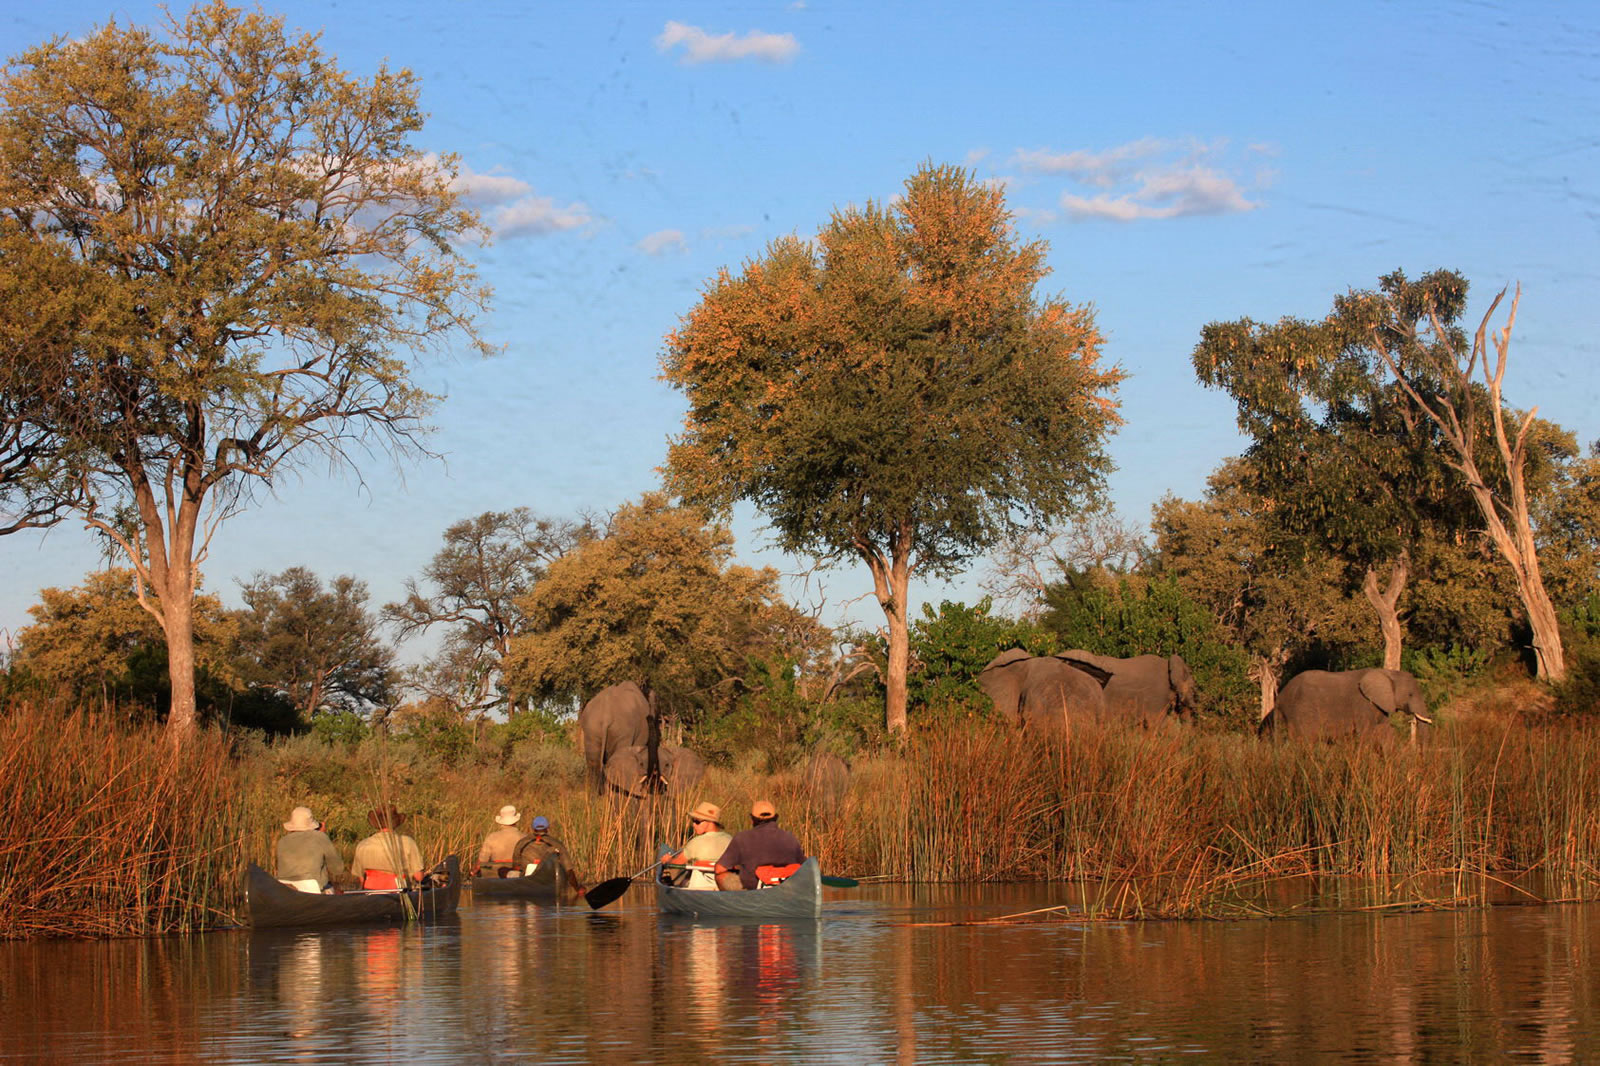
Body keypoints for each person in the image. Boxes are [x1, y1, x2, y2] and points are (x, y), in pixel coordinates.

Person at [714, 799, 805, 891]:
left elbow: (719, 869)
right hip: (785, 889)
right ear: (776, 818)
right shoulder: (790, 838)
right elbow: (804, 866)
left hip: (753, 891)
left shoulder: (742, 838)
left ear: (752, 819)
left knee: (720, 876)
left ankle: (736, 902)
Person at [350, 804, 425, 890]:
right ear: (396, 822)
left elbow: (361, 879)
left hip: (370, 892)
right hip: (397, 891)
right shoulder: (407, 842)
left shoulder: (363, 844)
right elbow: (419, 877)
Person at [663, 801, 732, 891]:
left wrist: (668, 860)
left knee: (683, 875)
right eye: (693, 821)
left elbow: (676, 864)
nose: (693, 825)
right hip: (724, 887)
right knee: (690, 871)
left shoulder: (696, 842)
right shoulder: (730, 839)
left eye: (697, 821)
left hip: (700, 888)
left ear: (710, 822)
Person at [275, 805, 344, 893]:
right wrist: (322, 836)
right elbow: (337, 869)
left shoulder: (282, 841)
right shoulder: (320, 837)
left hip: (284, 888)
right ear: (312, 824)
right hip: (312, 888)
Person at [511, 816, 586, 893]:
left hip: (525, 884)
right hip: (548, 885)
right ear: (547, 827)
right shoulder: (556, 844)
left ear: (533, 828)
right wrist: (577, 888)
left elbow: (516, 867)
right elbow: (569, 871)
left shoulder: (521, 843)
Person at [475, 805, 525, 877]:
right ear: (515, 821)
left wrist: (474, 871)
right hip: (517, 872)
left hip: (495, 873)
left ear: (501, 822)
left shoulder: (492, 837)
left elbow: (482, 860)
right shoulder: (524, 837)